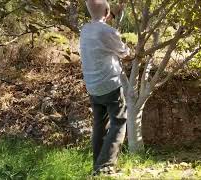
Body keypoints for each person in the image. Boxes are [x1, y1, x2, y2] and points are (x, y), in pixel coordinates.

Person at [80, 0, 131, 175]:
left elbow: (103, 31)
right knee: (118, 122)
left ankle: (98, 165)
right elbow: (124, 52)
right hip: (109, 85)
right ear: (107, 12)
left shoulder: (85, 30)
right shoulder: (108, 31)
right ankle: (105, 166)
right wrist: (129, 50)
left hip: (93, 86)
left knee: (99, 125)